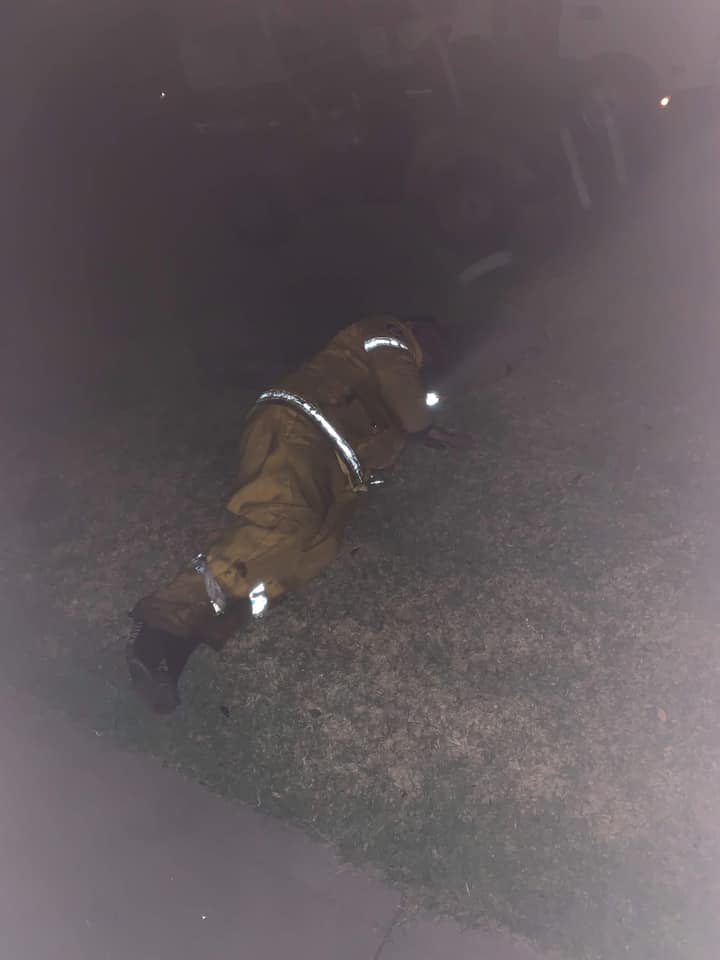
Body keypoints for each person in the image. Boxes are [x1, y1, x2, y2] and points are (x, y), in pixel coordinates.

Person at [127, 315, 467, 712]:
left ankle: (184, 642)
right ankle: (158, 624)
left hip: (333, 465)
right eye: (436, 337)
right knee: (283, 525)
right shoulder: (388, 335)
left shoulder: (401, 388)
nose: (436, 348)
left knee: (315, 550)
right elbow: (401, 387)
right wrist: (422, 429)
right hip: (298, 426)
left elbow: (386, 427)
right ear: (419, 328)